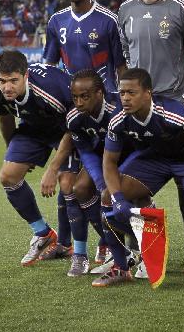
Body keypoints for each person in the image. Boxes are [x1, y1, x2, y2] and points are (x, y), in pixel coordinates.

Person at [93, 68, 184, 294]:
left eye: (131, 92)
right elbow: (108, 163)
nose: (125, 98)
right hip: (155, 159)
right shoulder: (118, 119)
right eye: (121, 93)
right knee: (108, 196)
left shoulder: (174, 112)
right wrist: (119, 199)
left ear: (148, 93)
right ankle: (121, 267)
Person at [118, 0, 184, 268]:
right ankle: (137, 247)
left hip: (175, 102)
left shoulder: (181, 8)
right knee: (130, 176)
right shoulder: (125, 10)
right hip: (138, 109)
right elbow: (125, 58)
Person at [43, 0, 126, 263]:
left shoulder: (108, 21)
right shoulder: (56, 21)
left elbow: (120, 68)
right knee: (68, 182)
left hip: (105, 110)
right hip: (71, 109)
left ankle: (110, 242)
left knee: (105, 180)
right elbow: (50, 67)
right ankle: (70, 245)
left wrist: (121, 103)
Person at [0, 50, 79, 266]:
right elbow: (5, 117)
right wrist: (15, 153)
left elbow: (73, 129)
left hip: (65, 128)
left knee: (67, 182)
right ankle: (43, 233)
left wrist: (53, 170)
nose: (7, 87)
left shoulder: (51, 91)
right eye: (2, 81)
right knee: (8, 175)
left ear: (26, 76)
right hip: (33, 127)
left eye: (13, 81)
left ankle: (72, 244)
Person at [65, 69, 124, 277]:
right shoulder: (74, 118)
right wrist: (101, 183)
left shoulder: (118, 110)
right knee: (79, 188)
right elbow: (86, 152)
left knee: (122, 194)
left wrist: (110, 182)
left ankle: (138, 248)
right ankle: (114, 246)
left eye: (84, 96)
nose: (79, 103)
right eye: (75, 97)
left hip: (127, 157)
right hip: (101, 159)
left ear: (100, 93)